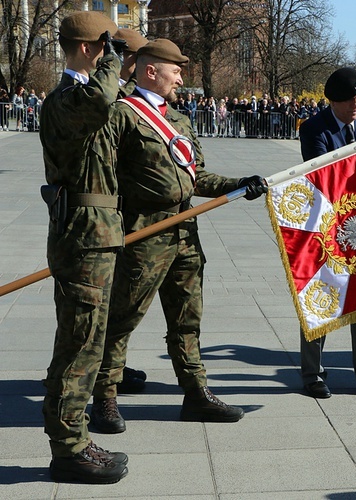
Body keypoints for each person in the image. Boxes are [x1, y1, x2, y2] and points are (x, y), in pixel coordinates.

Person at [90, 39, 267, 433]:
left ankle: (195, 393)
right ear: (151, 71)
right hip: (143, 236)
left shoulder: (179, 121)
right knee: (121, 320)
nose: (181, 76)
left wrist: (239, 184)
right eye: (176, 69)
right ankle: (104, 398)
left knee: (187, 318)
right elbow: (102, 177)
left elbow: (196, 176)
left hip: (185, 233)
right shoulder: (121, 116)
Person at [39, 11, 128, 483]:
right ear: (91, 48)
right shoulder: (65, 100)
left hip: (98, 234)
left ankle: (75, 438)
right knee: (79, 343)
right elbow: (99, 102)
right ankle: (68, 447)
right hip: (82, 237)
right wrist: (111, 66)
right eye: (106, 49)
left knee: (89, 341)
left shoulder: (88, 95)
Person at [297, 67, 356, 401]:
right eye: (352, 99)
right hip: (326, 227)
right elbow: (326, 172)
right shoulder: (314, 128)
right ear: (333, 102)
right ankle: (313, 374)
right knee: (321, 296)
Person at [112, 27, 150, 394]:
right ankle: (105, 371)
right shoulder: (113, 96)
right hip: (119, 211)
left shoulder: (127, 94)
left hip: (125, 208)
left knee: (120, 298)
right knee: (117, 302)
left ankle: (116, 366)